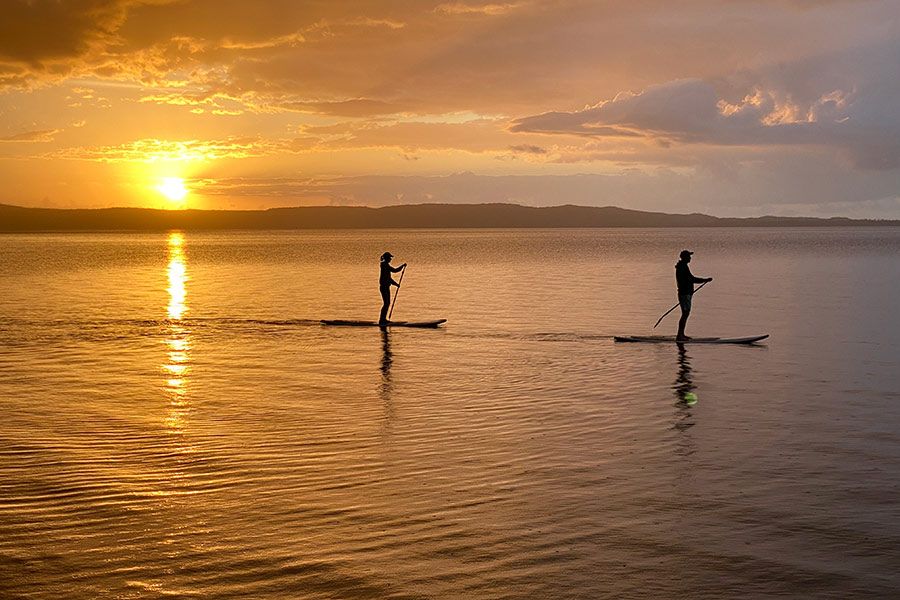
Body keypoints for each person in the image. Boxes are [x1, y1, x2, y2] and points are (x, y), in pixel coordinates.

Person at [675, 250, 712, 341]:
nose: (690, 258)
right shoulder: (682, 267)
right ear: (685, 257)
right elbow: (691, 279)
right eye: (689, 256)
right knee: (685, 314)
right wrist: (704, 280)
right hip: (684, 294)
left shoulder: (683, 266)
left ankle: (681, 334)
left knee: (685, 314)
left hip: (686, 294)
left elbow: (690, 279)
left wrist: (704, 280)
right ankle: (680, 335)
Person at [379, 252, 406, 325]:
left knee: (387, 303)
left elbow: (389, 278)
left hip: (386, 287)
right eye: (390, 258)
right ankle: (382, 320)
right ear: (386, 258)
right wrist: (402, 266)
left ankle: (383, 319)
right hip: (384, 287)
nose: (391, 259)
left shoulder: (385, 265)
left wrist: (396, 284)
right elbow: (395, 270)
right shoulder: (384, 265)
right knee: (386, 303)